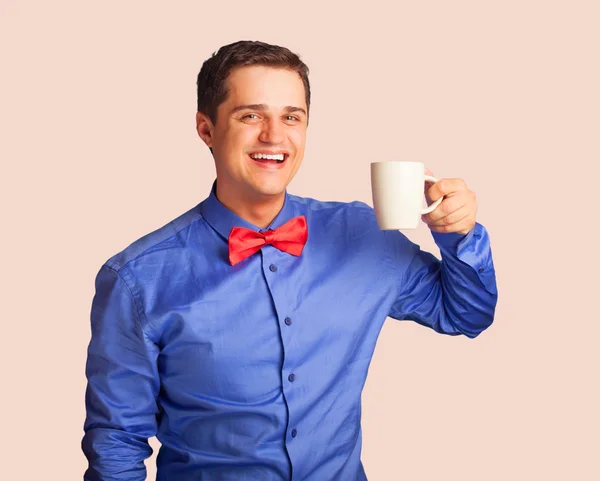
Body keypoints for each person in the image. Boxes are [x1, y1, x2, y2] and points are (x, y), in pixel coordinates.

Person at [82, 40, 498, 481]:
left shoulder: (366, 236)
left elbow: (467, 315)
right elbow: (116, 443)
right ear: (206, 129)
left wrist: (458, 235)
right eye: (251, 115)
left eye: (291, 117)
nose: (274, 136)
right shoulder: (137, 279)